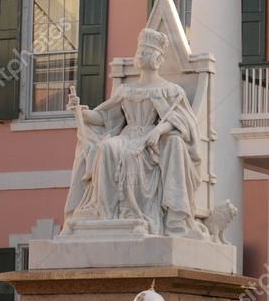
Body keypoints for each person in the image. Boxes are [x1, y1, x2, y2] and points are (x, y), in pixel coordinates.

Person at [63, 27, 206, 238]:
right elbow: (105, 118)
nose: (140, 55)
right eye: (139, 51)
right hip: (127, 135)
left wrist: (158, 131)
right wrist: (81, 112)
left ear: (157, 59)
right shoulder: (126, 90)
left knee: (134, 156)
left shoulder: (170, 90)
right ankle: (106, 212)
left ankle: (144, 214)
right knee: (107, 147)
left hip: (152, 141)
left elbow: (181, 120)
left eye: (145, 52)